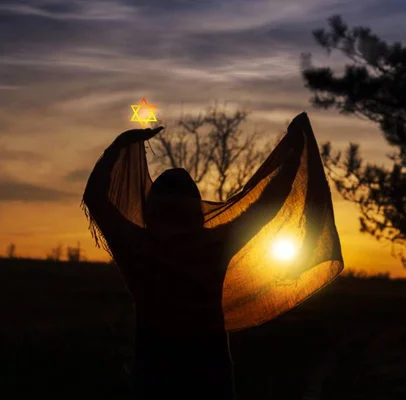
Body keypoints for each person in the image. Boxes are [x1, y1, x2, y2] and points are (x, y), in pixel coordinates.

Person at [81, 113, 344, 399]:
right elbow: (267, 205)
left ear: (151, 209)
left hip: (154, 374)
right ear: (196, 210)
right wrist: (293, 156)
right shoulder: (214, 244)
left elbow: (95, 197)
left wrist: (119, 147)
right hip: (209, 376)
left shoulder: (136, 245)